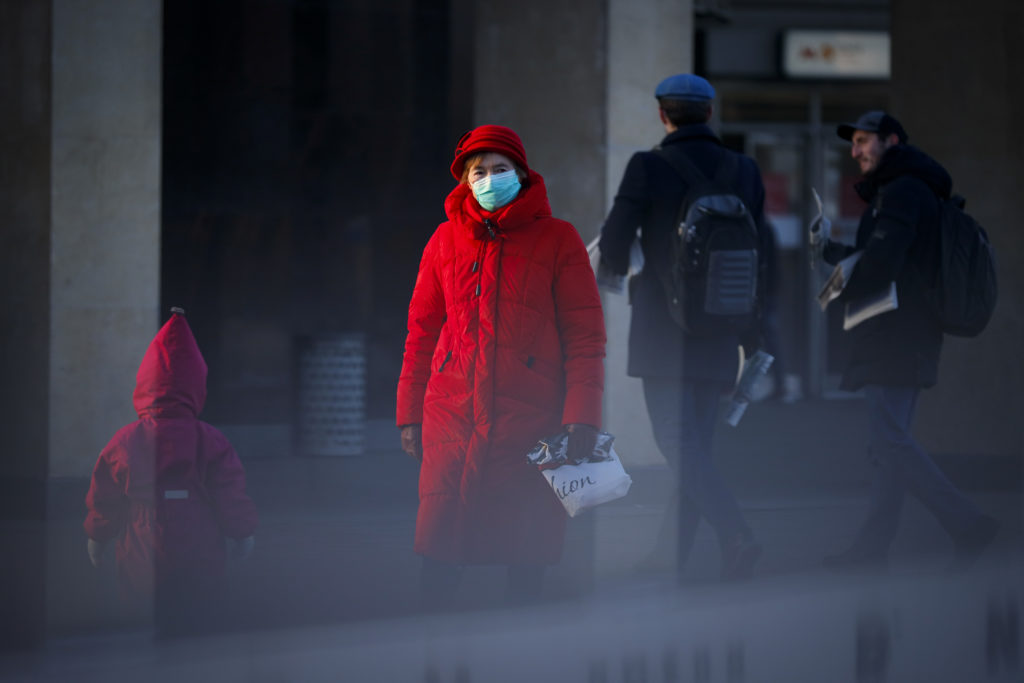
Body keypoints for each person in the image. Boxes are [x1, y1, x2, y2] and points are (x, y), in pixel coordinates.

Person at [396, 125, 606, 606]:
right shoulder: (444, 240)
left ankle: (521, 650)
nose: (489, 179)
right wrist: (408, 413)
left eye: (500, 169)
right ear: (464, 181)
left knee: (525, 546)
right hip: (452, 411)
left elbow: (586, 336)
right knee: (441, 542)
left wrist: (582, 414)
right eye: (478, 172)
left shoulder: (559, 239)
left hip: (532, 415)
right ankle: (431, 650)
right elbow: (421, 332)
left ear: (522, 173)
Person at [598, 74, 768, 581]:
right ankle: (670, 554)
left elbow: (612, 246)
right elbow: (762, 257)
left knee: (676, 442)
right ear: (709, 114)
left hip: (664, 329)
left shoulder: (648, 167)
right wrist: (755, 329)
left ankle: (736, 534)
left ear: (662, 115)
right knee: (696, 446)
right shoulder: (744, 169)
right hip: (724, 324)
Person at [819, 110, 1000, 570]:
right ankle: (873, 547)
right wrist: (834, 253)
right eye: (854, 143)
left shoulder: (902, 191)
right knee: (890, 443)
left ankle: (967, 522)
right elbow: (885, 256)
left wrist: (837, 284)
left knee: (888, 441)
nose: (856, 151)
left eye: (864, 141)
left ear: (891, 141)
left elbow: (881, 266)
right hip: (906, 331)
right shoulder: (908, 188)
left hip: (895, 333)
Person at [84, 308, 258, 630]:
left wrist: (98, 538)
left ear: (144, 383)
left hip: (142, 547)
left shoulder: (125, 440)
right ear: (196, 386)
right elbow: (229, 493)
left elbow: (105, 497)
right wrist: (242, 532)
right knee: (198, 622)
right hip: (200, 548)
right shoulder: (211, 440)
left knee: (145, 622)